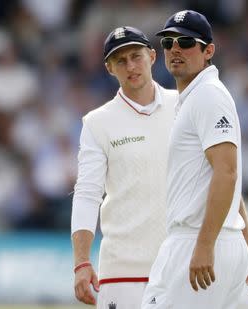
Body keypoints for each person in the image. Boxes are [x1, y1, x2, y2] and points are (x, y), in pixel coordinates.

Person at [142, 10, 248, 308]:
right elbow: (225, 179)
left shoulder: (208, 95)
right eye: (168, 43)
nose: (175, 49)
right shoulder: (195, 97)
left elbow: (227, 173)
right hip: (212, 240)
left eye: (185, 42)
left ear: (208, 50)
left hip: (198, 240)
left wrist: (205, 245)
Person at [71, 26, 178, 308]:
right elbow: (87, 193)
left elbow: (217, 174)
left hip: (181, 264)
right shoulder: (97, 123)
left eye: (136, 56)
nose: (131, 66)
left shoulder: (184, 106)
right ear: (109, 68)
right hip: (124, 272)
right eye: (121, 61)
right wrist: (82, 262)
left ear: (152, 56)